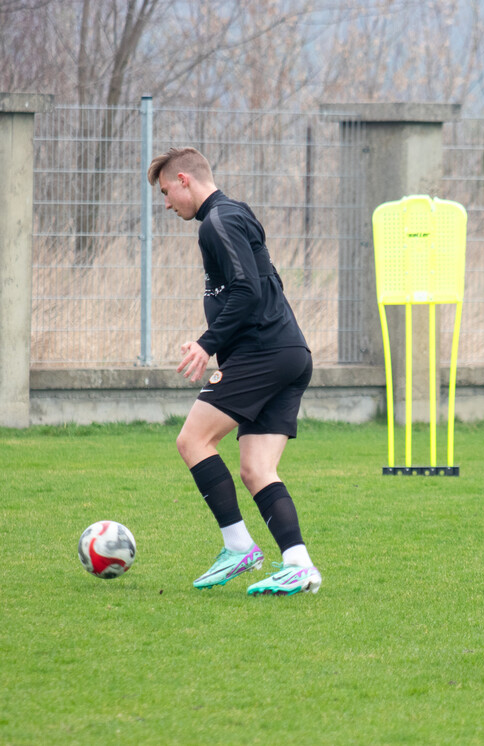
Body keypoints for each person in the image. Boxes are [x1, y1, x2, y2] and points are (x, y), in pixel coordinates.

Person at [147, 147, 321, 595]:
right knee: (257, 468)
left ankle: (239, 546)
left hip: (263, 354)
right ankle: (299, 565)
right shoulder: (235, 214)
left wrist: (208, 344)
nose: (167, 204)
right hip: (288, 351)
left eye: (166, 192)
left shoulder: (217, 222)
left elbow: (246, 289)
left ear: (184, 179)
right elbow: (263, 284)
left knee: (192, 440)